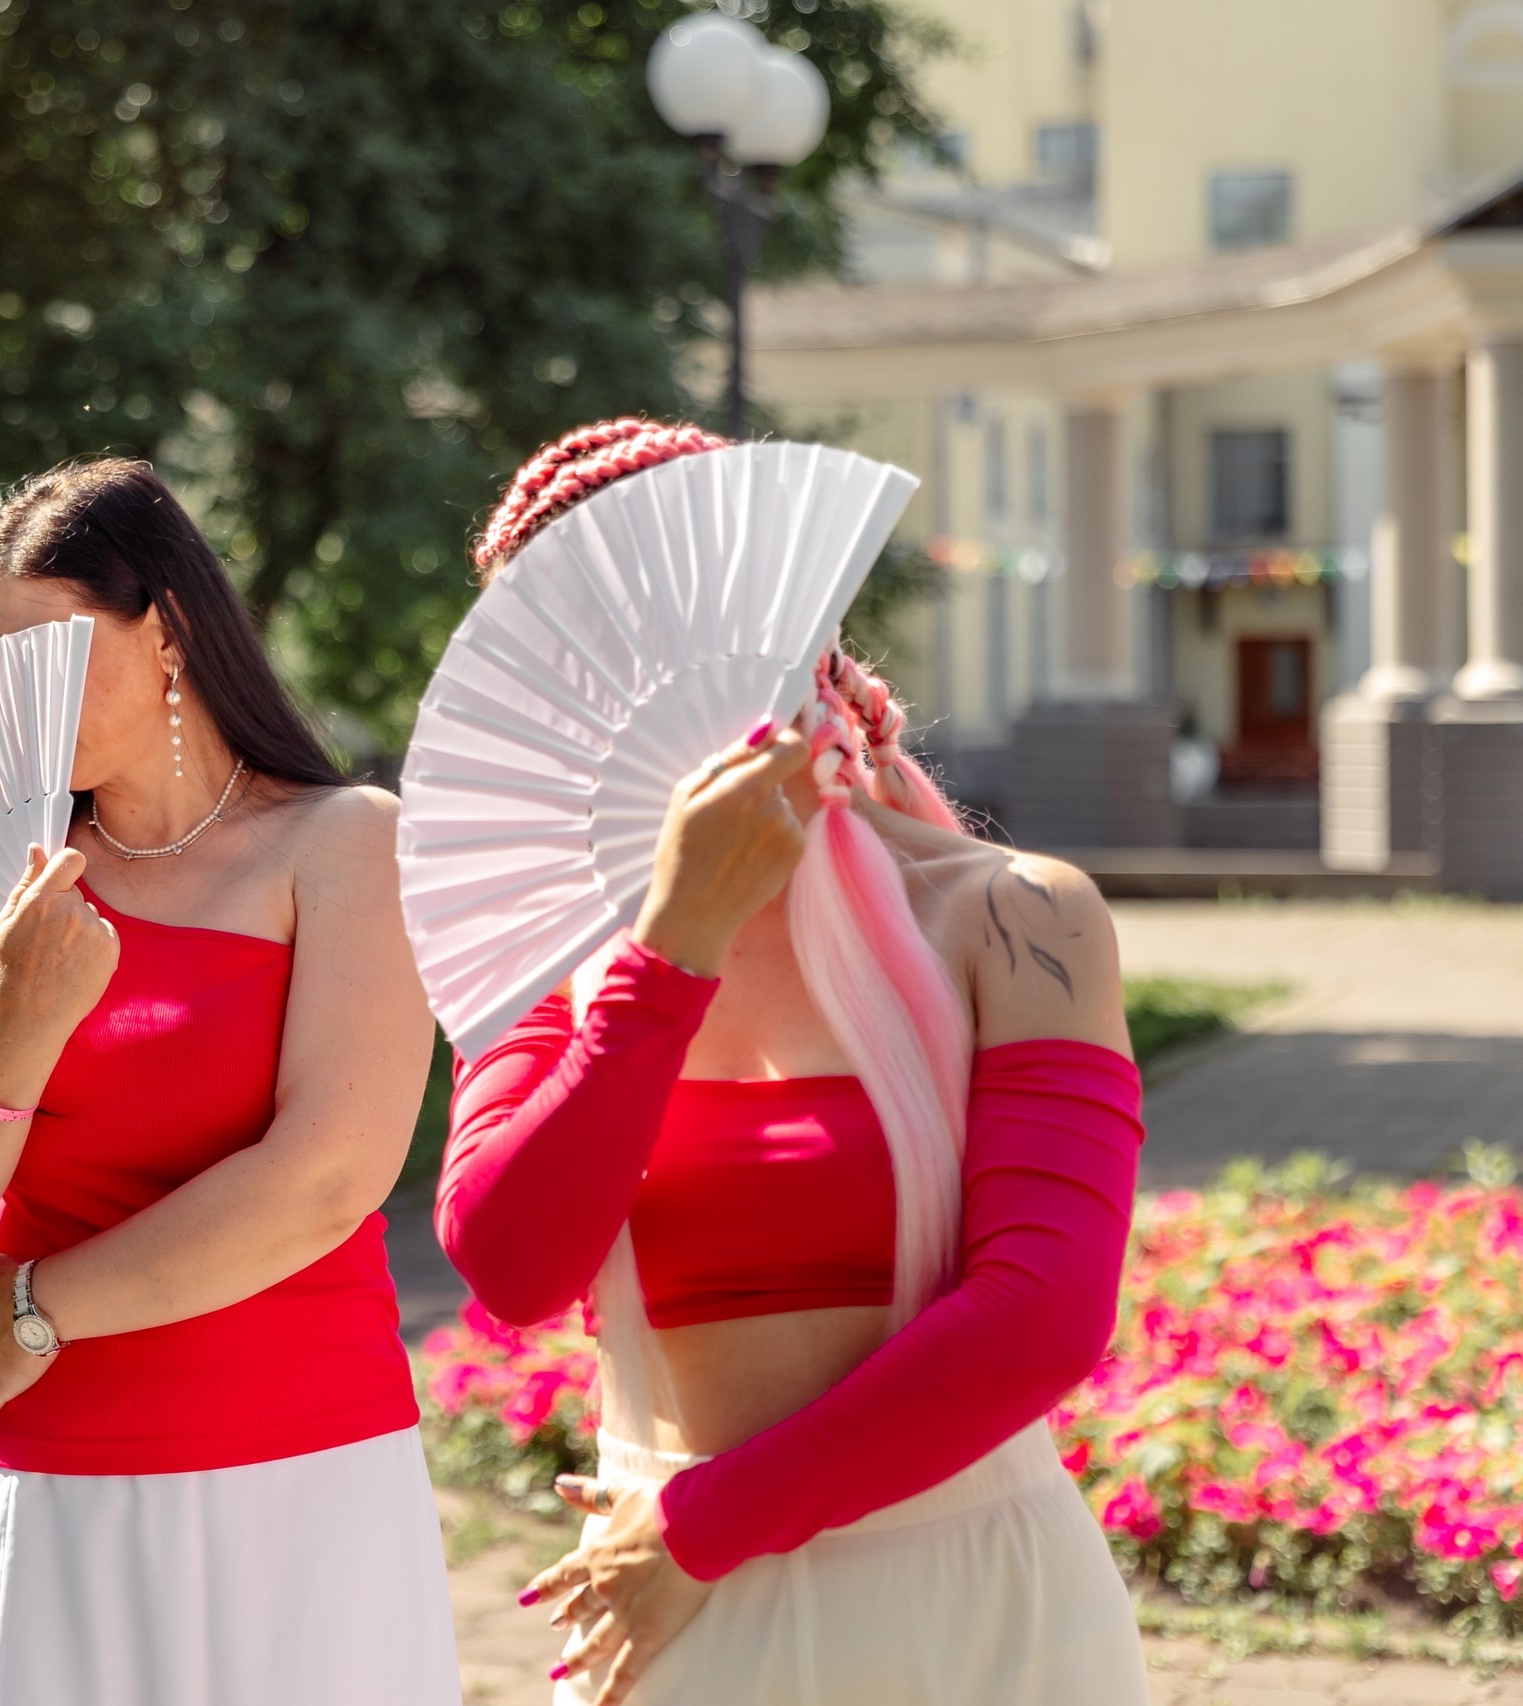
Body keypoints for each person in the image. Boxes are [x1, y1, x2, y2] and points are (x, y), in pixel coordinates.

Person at [434, 418, 1148, 1706]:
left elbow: (1042, 1314)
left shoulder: (1016, 914)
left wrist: (708, 1523)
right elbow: (510, 1266)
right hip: (670, 1619)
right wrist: (670, 951)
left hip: (966, 1604)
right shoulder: (540, 947)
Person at [0, 459, 461, 1706]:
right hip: (44, 1476)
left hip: (299, 1469)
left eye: (46, 653)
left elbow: (328, 1179)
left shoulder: (343, 842)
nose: (6, 697)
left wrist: (36, 1308)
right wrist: (18, 1017)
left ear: (166, 627)